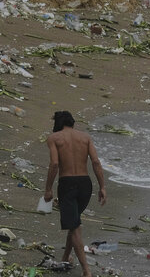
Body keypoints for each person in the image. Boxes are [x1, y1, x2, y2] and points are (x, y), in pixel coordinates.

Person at [43, 111, 107, 277]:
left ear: (57, 123)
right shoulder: (85, 137)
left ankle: (87, 271)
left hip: (68, 184)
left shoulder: (54, 138)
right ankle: (66, 256)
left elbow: (55, 164)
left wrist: (48, 189)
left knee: (75, 226)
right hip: (85, 184)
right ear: (72, 122)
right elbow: (96, 162)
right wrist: (102, 187)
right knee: (74, 222)